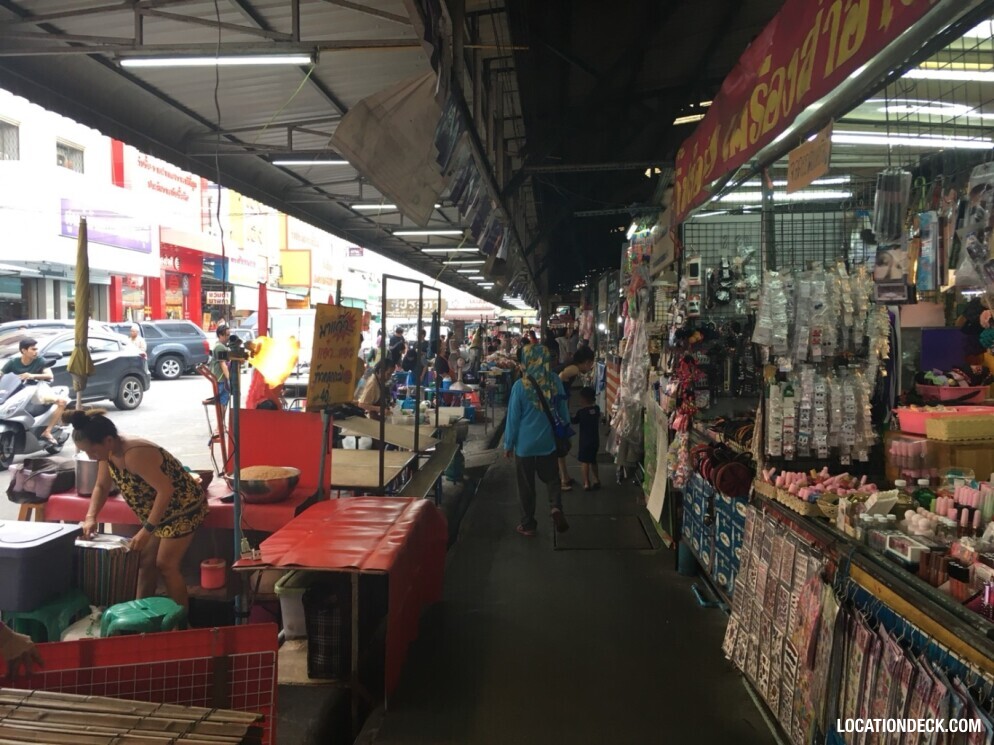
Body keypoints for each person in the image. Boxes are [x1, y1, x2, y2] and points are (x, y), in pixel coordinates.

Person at [73, 409, 209, 610]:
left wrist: (146, 530)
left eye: (91, 451)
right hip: (158, 514)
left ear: (108, 440)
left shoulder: (135, 454)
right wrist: (90, 517)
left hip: (183, 507)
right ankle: (141, 615)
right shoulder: (107, 454)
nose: (91, 456)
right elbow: (101, 486)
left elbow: (166, 490)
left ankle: (180, 623)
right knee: (146, 562)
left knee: (166, 565)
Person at [503, 344, 570, 537]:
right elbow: (563, 411)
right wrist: (564, 430)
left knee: (526, 486)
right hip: (548, 443)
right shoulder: (555, 381)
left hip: (524, 446)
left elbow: (513, 419)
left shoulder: (520, 386)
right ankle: (555, 507)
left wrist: (508, 444)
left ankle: (528, 524)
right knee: (552, 479)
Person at [1, 337, 66, 446]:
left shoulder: (40, 361)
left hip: (37, 389)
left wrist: (32, 375)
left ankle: (47, 431)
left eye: (36, 349)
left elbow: (49, 375)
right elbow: (1, 374)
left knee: (61, 402)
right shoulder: (13, 362)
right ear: (23, 350)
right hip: (16, 390)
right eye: (33, 349)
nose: (36, 352)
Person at [556, 346, 596, 490]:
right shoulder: (574, 369)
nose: (591, 366)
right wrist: (561, 398)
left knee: (562, 440)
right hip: (558, 404)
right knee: (562, 441)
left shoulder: (572, 366)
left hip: (559, 403)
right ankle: (562, 480)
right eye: (591, 363)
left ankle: (564, 476)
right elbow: (559, 378)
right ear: (586, 362)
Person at [571, 386, 601, 490]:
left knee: (584, 462)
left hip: (584, 442)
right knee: (593, 460)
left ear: (583, 399)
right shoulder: (597, 409)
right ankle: (596, 479)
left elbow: (574, 421)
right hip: (595, 441)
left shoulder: (581, 412)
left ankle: (586, 483)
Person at [206, 325, 231, 407]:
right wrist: (228, 379)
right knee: (222, 401)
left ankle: (221, 419)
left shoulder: (220, 346)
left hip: (220, 379)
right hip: (221, 379)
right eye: (226, 335)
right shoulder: (220, 347)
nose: (228, 337)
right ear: (220, 335)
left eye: (229, 335)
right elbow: (222, 364)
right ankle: (221, 419)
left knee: (223, 401)